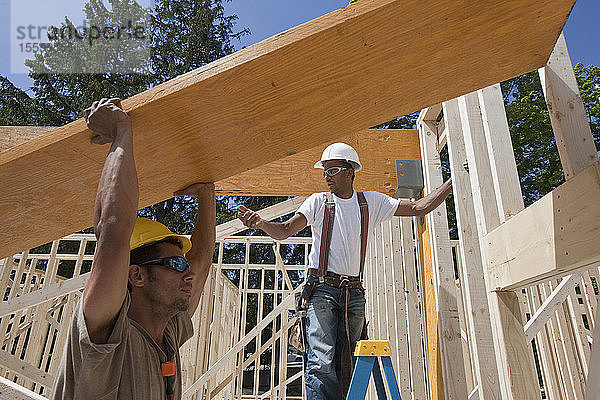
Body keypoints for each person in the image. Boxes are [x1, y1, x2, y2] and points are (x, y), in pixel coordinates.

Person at [237, 142, 453, 400]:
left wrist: (454, 182)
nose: (326, 176)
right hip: (321, 291)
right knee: (321, 362)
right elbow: (284, 231)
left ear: (350, 171)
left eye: (333, 170)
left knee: (349, 361)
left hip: (354, 293)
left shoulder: (371, 202)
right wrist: (261, 223)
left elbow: (419, 208)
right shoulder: (318, 202)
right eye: (324, 171)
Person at [51, 98, 216, 400]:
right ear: (136, 275)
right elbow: (113, 231)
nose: (189, 274)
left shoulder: (168, 330)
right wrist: (121, 132)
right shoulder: (105, 329)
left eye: (183, 265)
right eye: (176, 266)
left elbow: (202, 261)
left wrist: (207, 194)